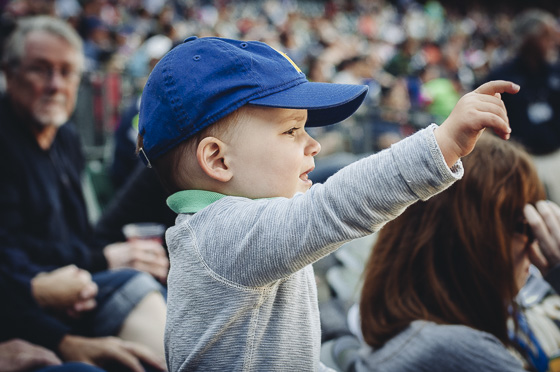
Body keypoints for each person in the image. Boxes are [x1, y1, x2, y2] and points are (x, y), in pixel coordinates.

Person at [136, 35, 519, 371]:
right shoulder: (223, 234)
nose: (313, 144)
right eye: (291, 130)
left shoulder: (232, 234)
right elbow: (335, 207)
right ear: (219, 160)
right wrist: (442, 146)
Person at [0, 16, 167, 370]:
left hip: (73, 288)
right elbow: (12, 256)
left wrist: (111, 258)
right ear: (10, 73)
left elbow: (78, 238)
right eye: (40, 70)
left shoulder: (66, 137)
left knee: (134, 282)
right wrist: (102, 260)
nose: (55, 85)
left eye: (66, 72)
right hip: (24, 298)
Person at [354, 134, 560, 372]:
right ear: (477, 237)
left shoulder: (410, 337)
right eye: (527, 227)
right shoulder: (457, 352)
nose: (534, 247)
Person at [484, 9, 560, 204]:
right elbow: (486, 123)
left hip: (556, 156)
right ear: (528, 39)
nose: (554, 41)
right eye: (546, 36)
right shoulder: (501, 76)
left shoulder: (556, 71)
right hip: (520, 161)